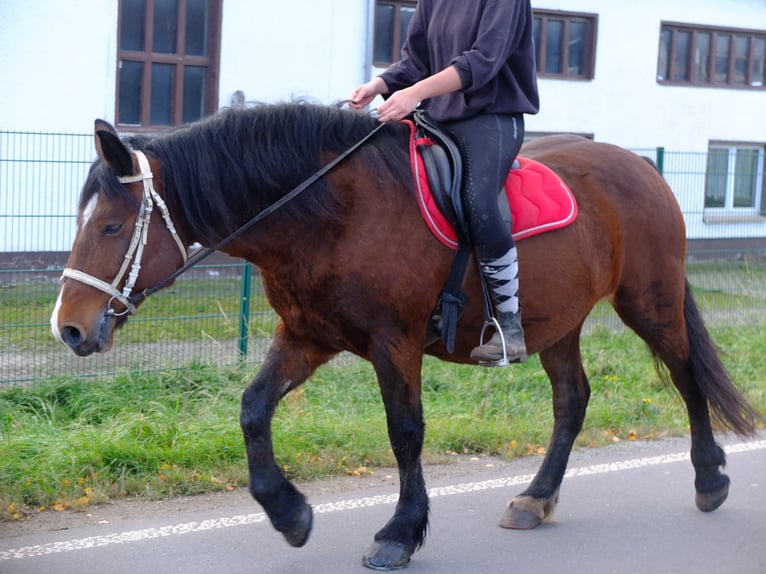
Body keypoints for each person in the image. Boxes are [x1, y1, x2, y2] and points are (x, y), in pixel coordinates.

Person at [350, 0, 539, 364]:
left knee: (477, 200)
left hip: (492, 118)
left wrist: (416, 93)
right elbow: (415, 61)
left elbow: (483, 60)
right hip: (438, 117)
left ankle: (509, 328)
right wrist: (378, 84)